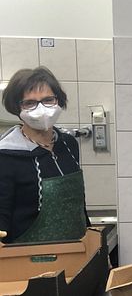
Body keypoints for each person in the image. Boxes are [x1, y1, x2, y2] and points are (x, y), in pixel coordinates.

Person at [0, 67, 88, 243]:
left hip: (75, 250)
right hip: (25, 258)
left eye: (48, 100)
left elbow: (78, 205)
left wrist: (95, 245)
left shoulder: (68, 144)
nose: (41, 109)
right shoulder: (6, 156)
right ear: (17, 108)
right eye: (29, 103)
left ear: (58, 101)